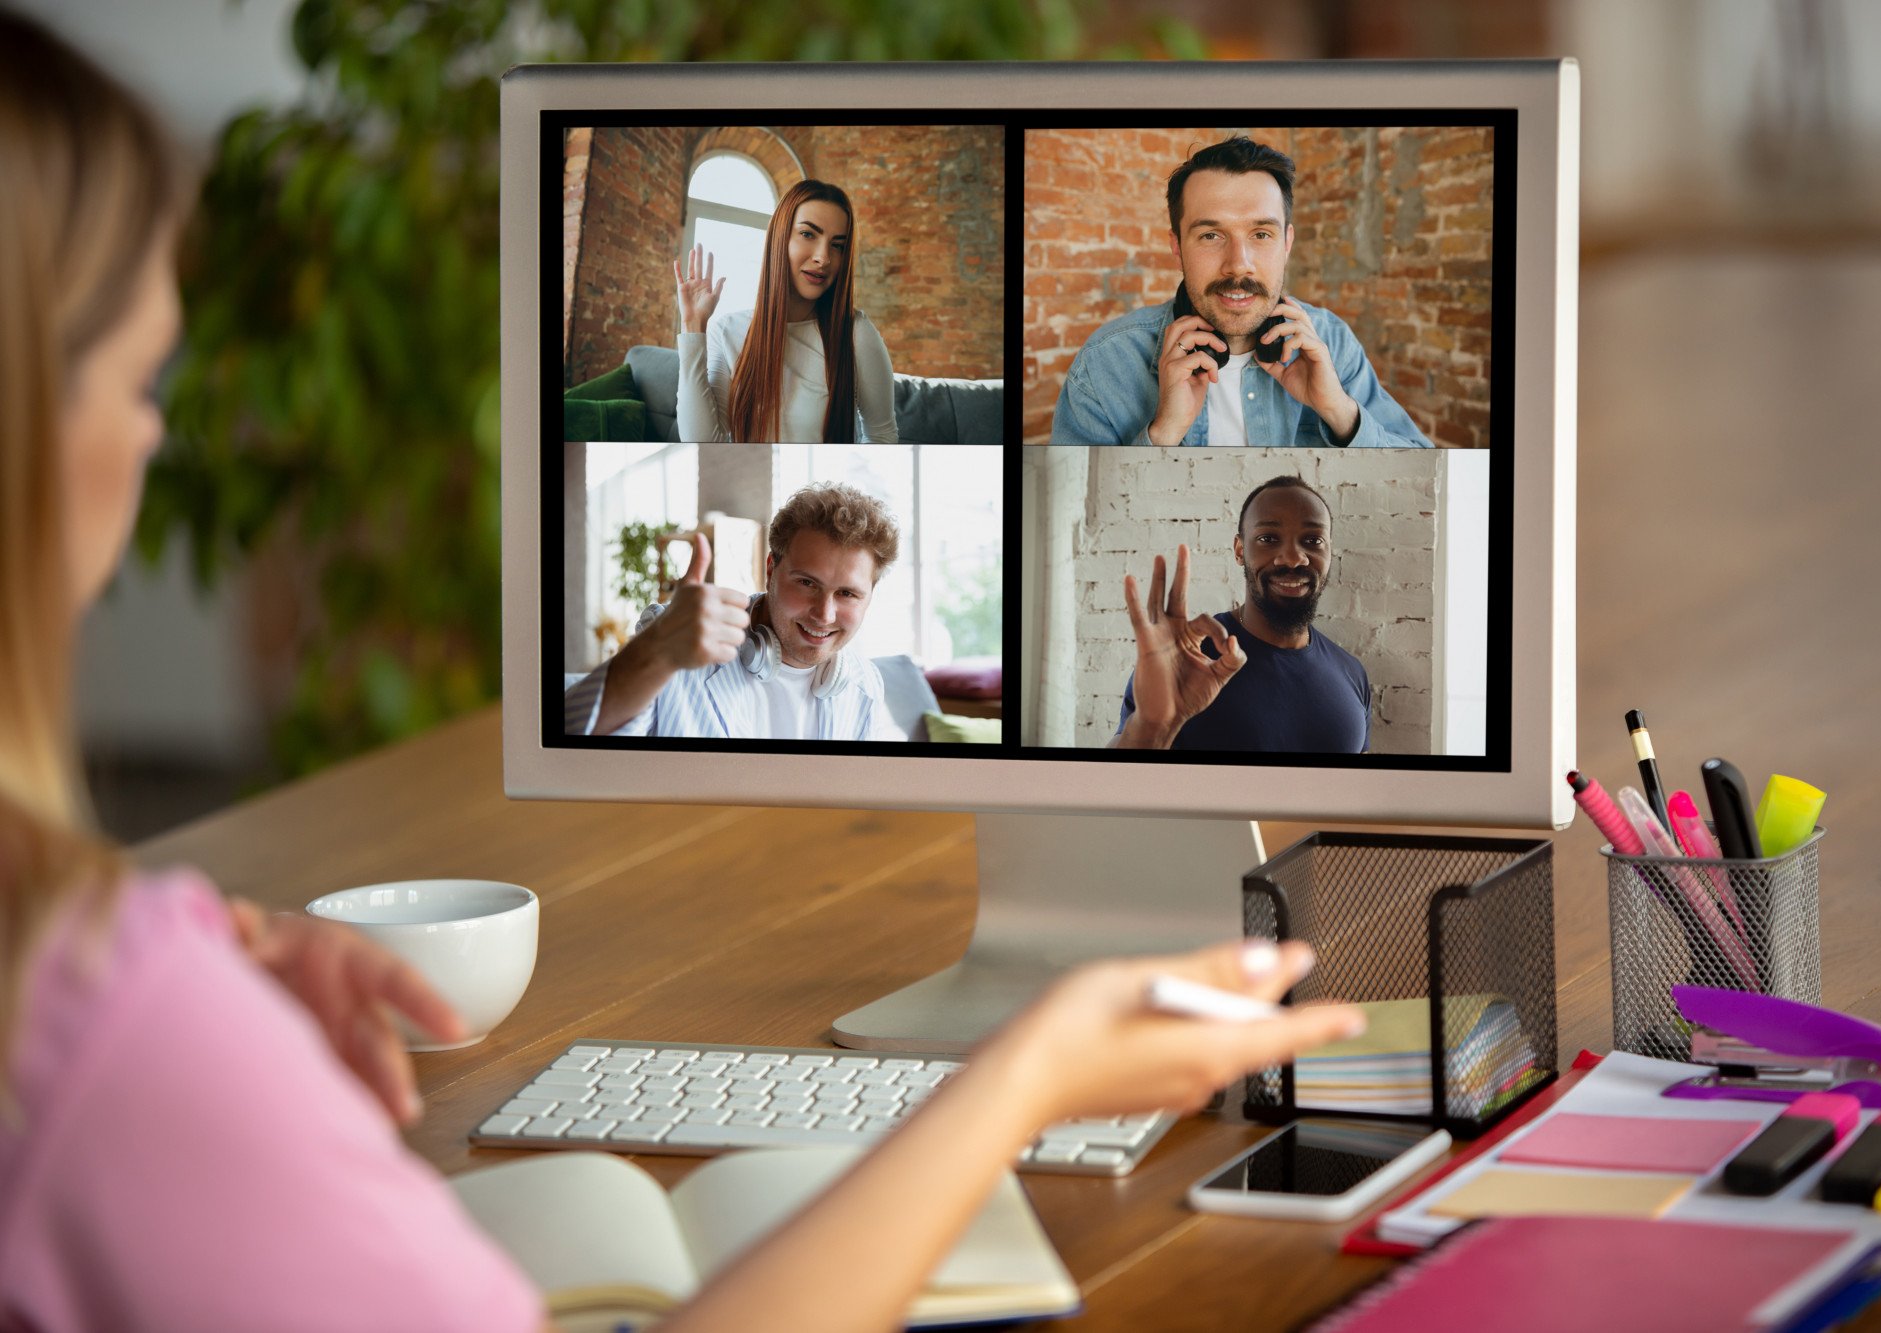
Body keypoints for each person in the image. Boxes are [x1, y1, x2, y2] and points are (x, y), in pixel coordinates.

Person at [0, 18, 1366, 1330]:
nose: (159, 432)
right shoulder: (94, 1010)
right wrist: (1024, 1084)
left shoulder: (897, 634)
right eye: (137, 379)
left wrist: (181, 985)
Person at [1050, 136, 1433, 449]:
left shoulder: (1331, 342)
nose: (1239, 265)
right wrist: (1161, 434)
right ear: (1177, 247)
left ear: (1287, 243)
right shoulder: (1104, 364)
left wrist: (1339, 412)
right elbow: (1071, 520)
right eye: (1211, 236)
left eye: (1261, 235)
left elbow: (1422, 477)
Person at [564, 482, 906, 740]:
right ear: (771, 568)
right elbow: (573, 734)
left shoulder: (865, 684)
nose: (824, 614)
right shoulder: (677, 637)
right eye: (806, 583)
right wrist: (658, 651)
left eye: (847, 594)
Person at [1111, 475, 1371, 752]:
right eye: (1268, 538)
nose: (1294, 558)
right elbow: (1112, 783)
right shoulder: (1187, 659)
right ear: (1239, 550)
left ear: (1331, 552)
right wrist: (1152, 727)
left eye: (1313, 540)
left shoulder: (1352, 673)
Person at [674, 179, 898, 443]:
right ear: (780, 238)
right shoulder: (727, 331)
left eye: (837, 245)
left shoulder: (856, 333)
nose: (823, 257)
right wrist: (692, 326)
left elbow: (882, 437)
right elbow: (701, 444)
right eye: (808, 234)